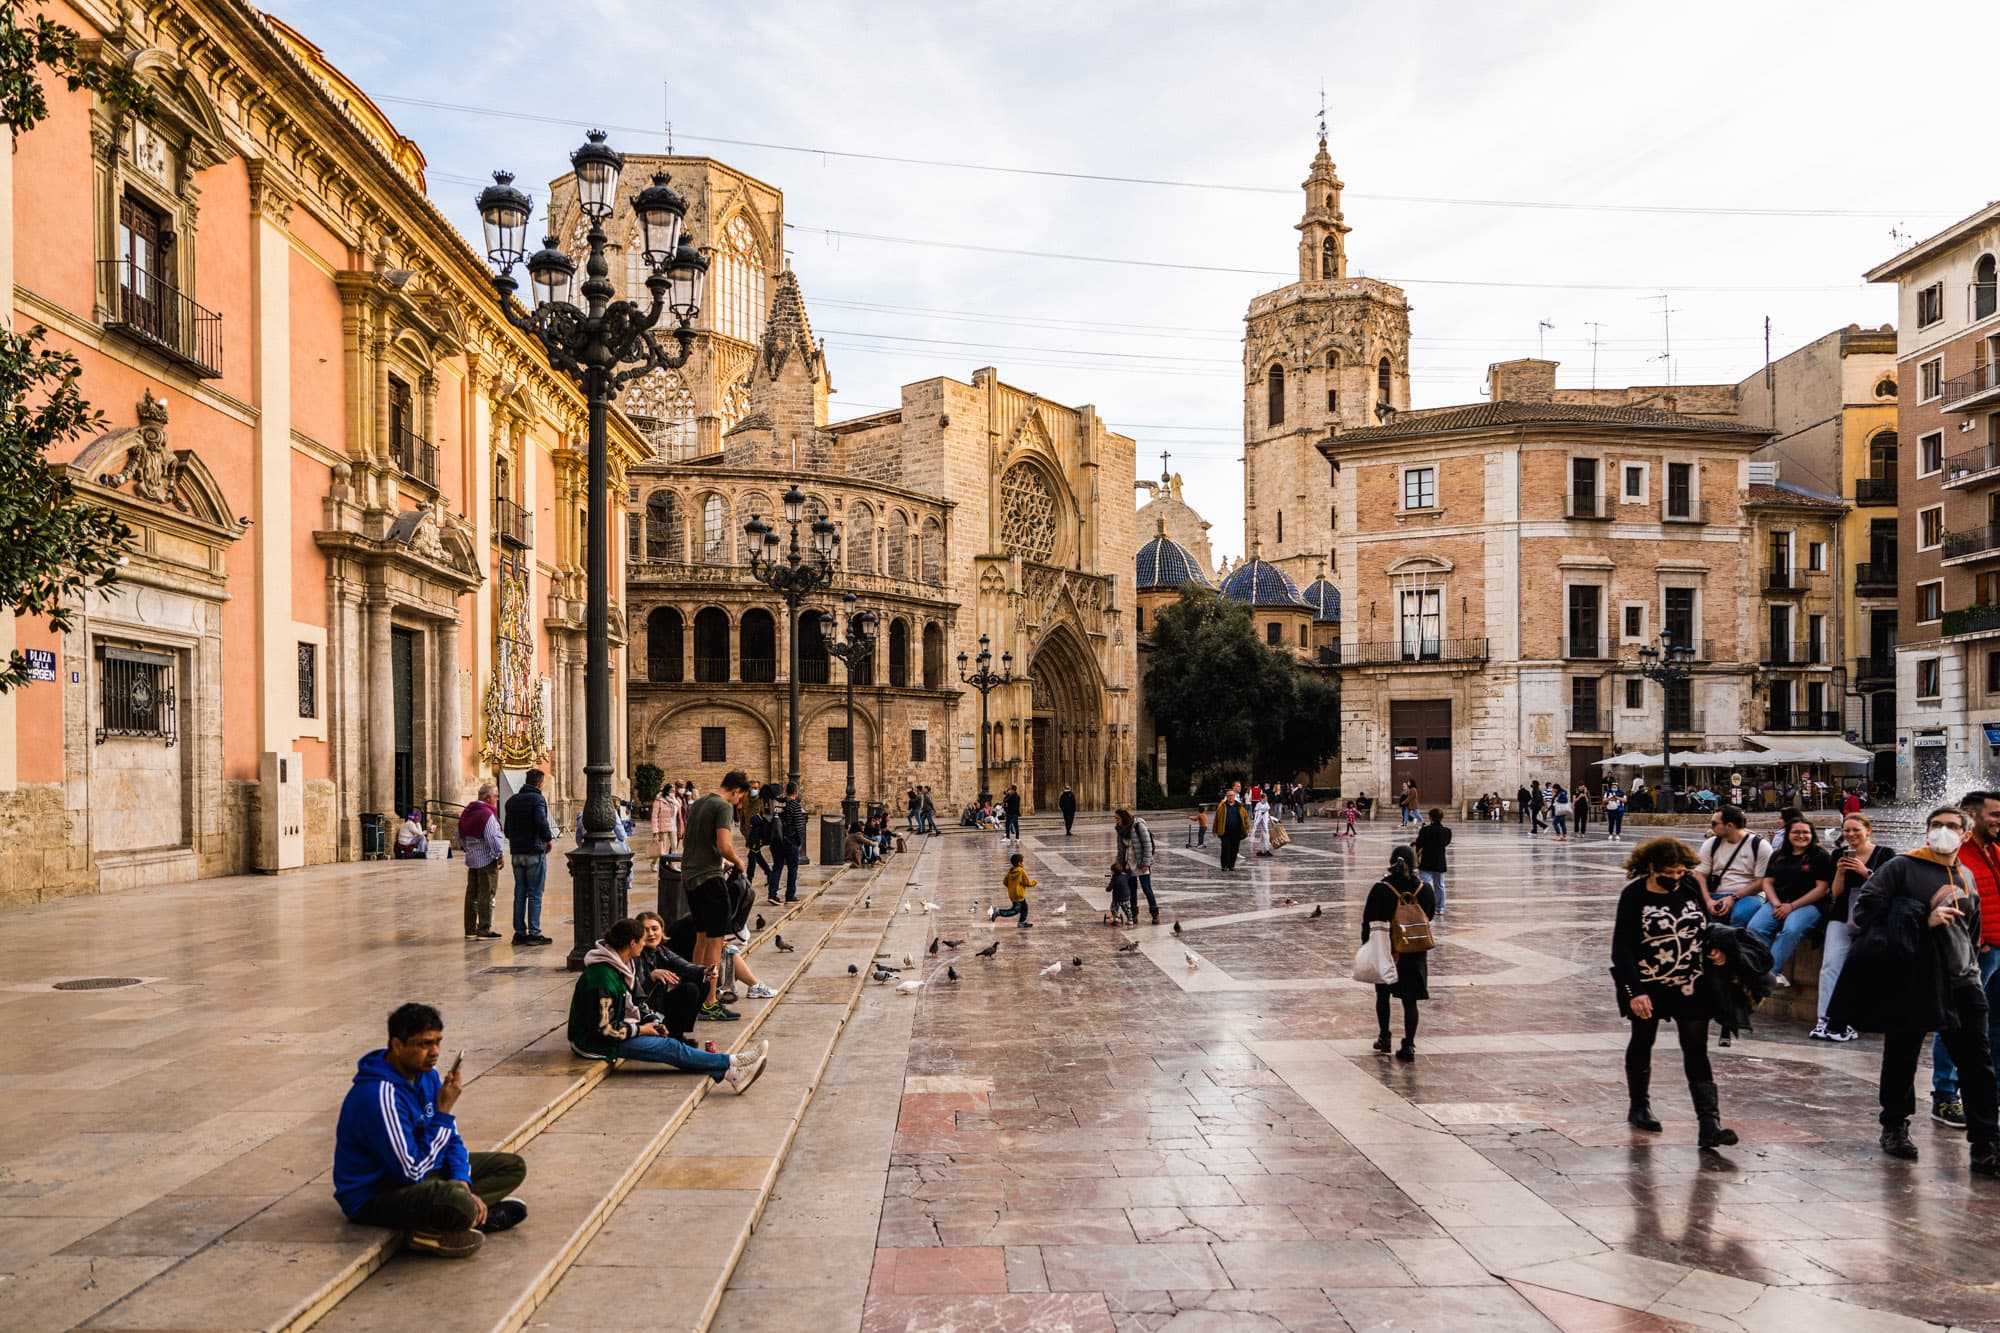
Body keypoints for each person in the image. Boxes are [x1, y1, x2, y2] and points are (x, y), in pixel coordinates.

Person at [1829, 805, 2000, 1172]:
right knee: (1902, 1054)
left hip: (1961, 979)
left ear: (1965, 835)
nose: (1943, 831)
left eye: (1952, 826)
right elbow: (1865, 912)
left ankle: (1985, 1144)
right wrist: (1925, 917)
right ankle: (1894, 1125)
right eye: (1936, 824)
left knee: (1976, 1062)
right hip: (1913, 977)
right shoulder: (1902, 867)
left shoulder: (1966, 874)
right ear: (1926, 830)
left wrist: (1969, 965)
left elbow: (1971, 929)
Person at [333, 1003, 528, 1258]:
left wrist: (462, 1180)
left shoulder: (428, 1076)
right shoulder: (380, 1095)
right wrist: (444, 1113)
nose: (434, 1052)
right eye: (424, 1044)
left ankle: (462, 1215)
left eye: (438, 1042)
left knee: (511, 1167)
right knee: (456, 1200)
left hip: (421, 1172)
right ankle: (440, 1227)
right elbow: (410, 1172)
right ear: (397, 1045)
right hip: (376, 1193)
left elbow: (452, 1142)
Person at [1609, 837, 1738, 1149]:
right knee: (1643, 1039)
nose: (1676, 878)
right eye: (1670, 872)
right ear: (1652, 867)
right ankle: (1639, 1106)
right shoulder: (1634, 895)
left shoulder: (1691, 885)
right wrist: (1634, 992)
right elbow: (1621, 948)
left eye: (1681, 872)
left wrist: (1716, 951)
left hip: (1691, 982)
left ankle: (1710, 1123)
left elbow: (1706, 926)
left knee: (1695, 1047)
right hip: (1648, 984)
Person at [569, 918, 768, 1092]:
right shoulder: (602, 978)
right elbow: (605, 1030)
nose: (644, 943)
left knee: (672, 1046)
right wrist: (640, 1030)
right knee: (671, 1048)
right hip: (594, 1043)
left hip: (619, 1029)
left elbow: (637, 1001)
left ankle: (731, 1075)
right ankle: (732, 1061)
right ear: (632, 943)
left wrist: (651, 1020)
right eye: (641, 940)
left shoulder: (622, 964)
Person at [1926, 791, 2000, 1128]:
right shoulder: (1954, 857)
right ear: (1972, 815)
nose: (1999, 820)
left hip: (1997, 949)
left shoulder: (1994, 850)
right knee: (1956, 1022)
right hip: (1974, 954)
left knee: (1995, 1024)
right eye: (1994, 814)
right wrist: (1976, 940)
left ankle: (1991, 1090)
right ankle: (1945, 1095)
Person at [1811, 813, 1890, 1043]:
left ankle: (1854, 1018)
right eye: (1847, 830)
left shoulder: (1885, 854)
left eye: (1856, 829)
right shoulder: (1837, 854)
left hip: (1873, 917)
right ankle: (1824, 1019)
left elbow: (1888, 887)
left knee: (1867, 968)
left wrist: (1864, 872)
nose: (1851, 834)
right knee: (1830, 965)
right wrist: (1840, 872)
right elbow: (1834, 893)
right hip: (1842, 914)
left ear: (1868, 830)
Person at [683, 771, 750, 1021]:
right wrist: (738, 861)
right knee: (715, 942)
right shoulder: (723, 806)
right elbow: (723, 845)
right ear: (736, 791)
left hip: (691, 877)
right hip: (710, 878)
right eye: (741, 796)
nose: (740, 801)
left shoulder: (699, 802)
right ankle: (710, 1002)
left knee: (701, 939)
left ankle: (696, 995)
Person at [1363, 846, 1435, 1062]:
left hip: (1386, 948)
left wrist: (1367, 945)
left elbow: (1368, 921)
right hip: (1414, 949)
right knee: (1409, 1000)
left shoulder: (1381, 888)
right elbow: (1429, 915)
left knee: (1383, 995)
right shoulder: (1425, 889)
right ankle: (1409, 1045)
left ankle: (1384, 1037)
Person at [1744, 817, 1833, 988]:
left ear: (1812, 835)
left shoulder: (1820, 856)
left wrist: (1791, 907)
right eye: (1796, 832)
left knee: (1791, 929)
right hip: (1778, 902)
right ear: (1788, 834)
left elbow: (1822, 889)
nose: (1801, 835)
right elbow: (1767, 882)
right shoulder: (1778, 855)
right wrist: (1777, 903)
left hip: (1809, 905)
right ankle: (1763, 969)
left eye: (1805, 832)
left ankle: (1771, 973)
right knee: (1755, 927)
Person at [632, 911, 710, 1040]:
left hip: (659, 1003)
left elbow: (685, 966)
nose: (651, 934)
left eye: (654, 929)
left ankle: (677, 1033)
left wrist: (705, 971)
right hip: (643, 1010)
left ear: (662, 930)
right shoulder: (636, 955)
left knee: (702, 981)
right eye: (645, 930)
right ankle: (671, 1034)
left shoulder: (661, 950)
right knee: (689, 989)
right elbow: (636, 996)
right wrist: (651, 977)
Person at [503, 770, 556, 947]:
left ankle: (519, 933)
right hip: (534, 852)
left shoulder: (512, 801)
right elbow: (541, 822)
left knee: (520, 893)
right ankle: (534, 932)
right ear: (540, 784)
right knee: (535, 893)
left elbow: (507, 830)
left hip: (517, 853)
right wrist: (548, 839)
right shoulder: (537, 800)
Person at [1694, 807, 1771, 927]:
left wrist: (1733, 898)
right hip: (1715, 893)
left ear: (1729, 825)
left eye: (1714, 823)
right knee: (1703, 917)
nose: (1711, 827)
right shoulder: (1711, 844)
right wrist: (1708, 901)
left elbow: (1761, 882)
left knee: (1740, 916)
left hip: (1749, 895)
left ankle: (1735, 944)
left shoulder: (1759, 845)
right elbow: (1699, 874)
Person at [459, 783, 505, 941]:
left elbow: (460, 835)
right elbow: (493, 837)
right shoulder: (486, 814)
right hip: (486, 859)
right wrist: (499, 854)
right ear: (488, 797)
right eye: (496, 795)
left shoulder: (466, 812)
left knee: (472, 894)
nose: (497, 798)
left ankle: (470, 930)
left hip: (472, 859)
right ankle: (484, 929)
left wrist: (469, 849)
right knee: (486, 893)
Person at [1115, 808, 1160, 924]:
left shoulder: (1138, 826)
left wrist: (1146, 863)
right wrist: (1119, 866)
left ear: (1123, 817)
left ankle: (1155, 914)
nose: (1116, 821)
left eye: (1117, 818)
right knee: (1131, 890)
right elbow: (1120, 851)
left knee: (1147, 889)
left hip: (1141, 863)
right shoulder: (1120, 830)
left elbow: (1148, 845)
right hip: (1129, 864)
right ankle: (1134, 915)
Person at [1413, 807, 1452, 916]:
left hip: (1426, 861)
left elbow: (1419, 844)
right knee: (1440, 885)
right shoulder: (1447, 831)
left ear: (1430, 818)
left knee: (1426, 885)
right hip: (1439, 862)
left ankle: (1426, 907)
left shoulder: (1424, 830)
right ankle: (1439, 908)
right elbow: (1446, 843)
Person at [991, 852, 1035, 928]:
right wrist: (1034, 882)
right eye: (1022, 861)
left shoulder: (1011, 871)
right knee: (1015, 910)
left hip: (1013, 895)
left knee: (1025, 907)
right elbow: (1027, 883)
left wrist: (1012, 887)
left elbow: (1005, 882)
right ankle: (999, 912)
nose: (1023, 863)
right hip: (1019, 895)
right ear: (1019, 863)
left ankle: (1022, 923)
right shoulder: (1021, 871)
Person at [1215, 783, 1250, 870]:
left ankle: (1231, 865)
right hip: (1225, 831)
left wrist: (1246, 828)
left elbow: (1245, 818)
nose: (1231, 797)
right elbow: (1217, 818)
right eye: (1229, 796)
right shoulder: (1222, 807)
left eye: (1232, 795)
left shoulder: (1240, 806)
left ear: (1234, 796)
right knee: (1225, 848)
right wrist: (1215, 830)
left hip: (1236, 831)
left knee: (1234, 849)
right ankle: (1224, 865)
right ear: (1227, 796)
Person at [1105, 859, 1136, 926]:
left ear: (1113, 871)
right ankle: (1130, 920)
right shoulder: (1125, 876)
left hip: (1117, 898)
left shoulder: (1114, 878)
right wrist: (1128, 869)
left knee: (1114, 908)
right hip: (1126, 897)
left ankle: (1115, 918)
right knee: (1127, 909)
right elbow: (1129, 874)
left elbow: (1110, 888)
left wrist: (1107, 889)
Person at [1250, 786, 1274, 857]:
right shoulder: (1259, 804)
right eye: (1264, 798)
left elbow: (1268, 812)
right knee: (1266, 835)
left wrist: (1271, 821)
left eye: (1266, 798)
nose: (1266, 799)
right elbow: (1255, 811)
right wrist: (1258, 815)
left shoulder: (1266, 804)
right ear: (1261, 798)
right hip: (1260, 821)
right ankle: (1266, 850)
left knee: (1263, 836)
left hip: (1265, 821)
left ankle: (1261, 850)